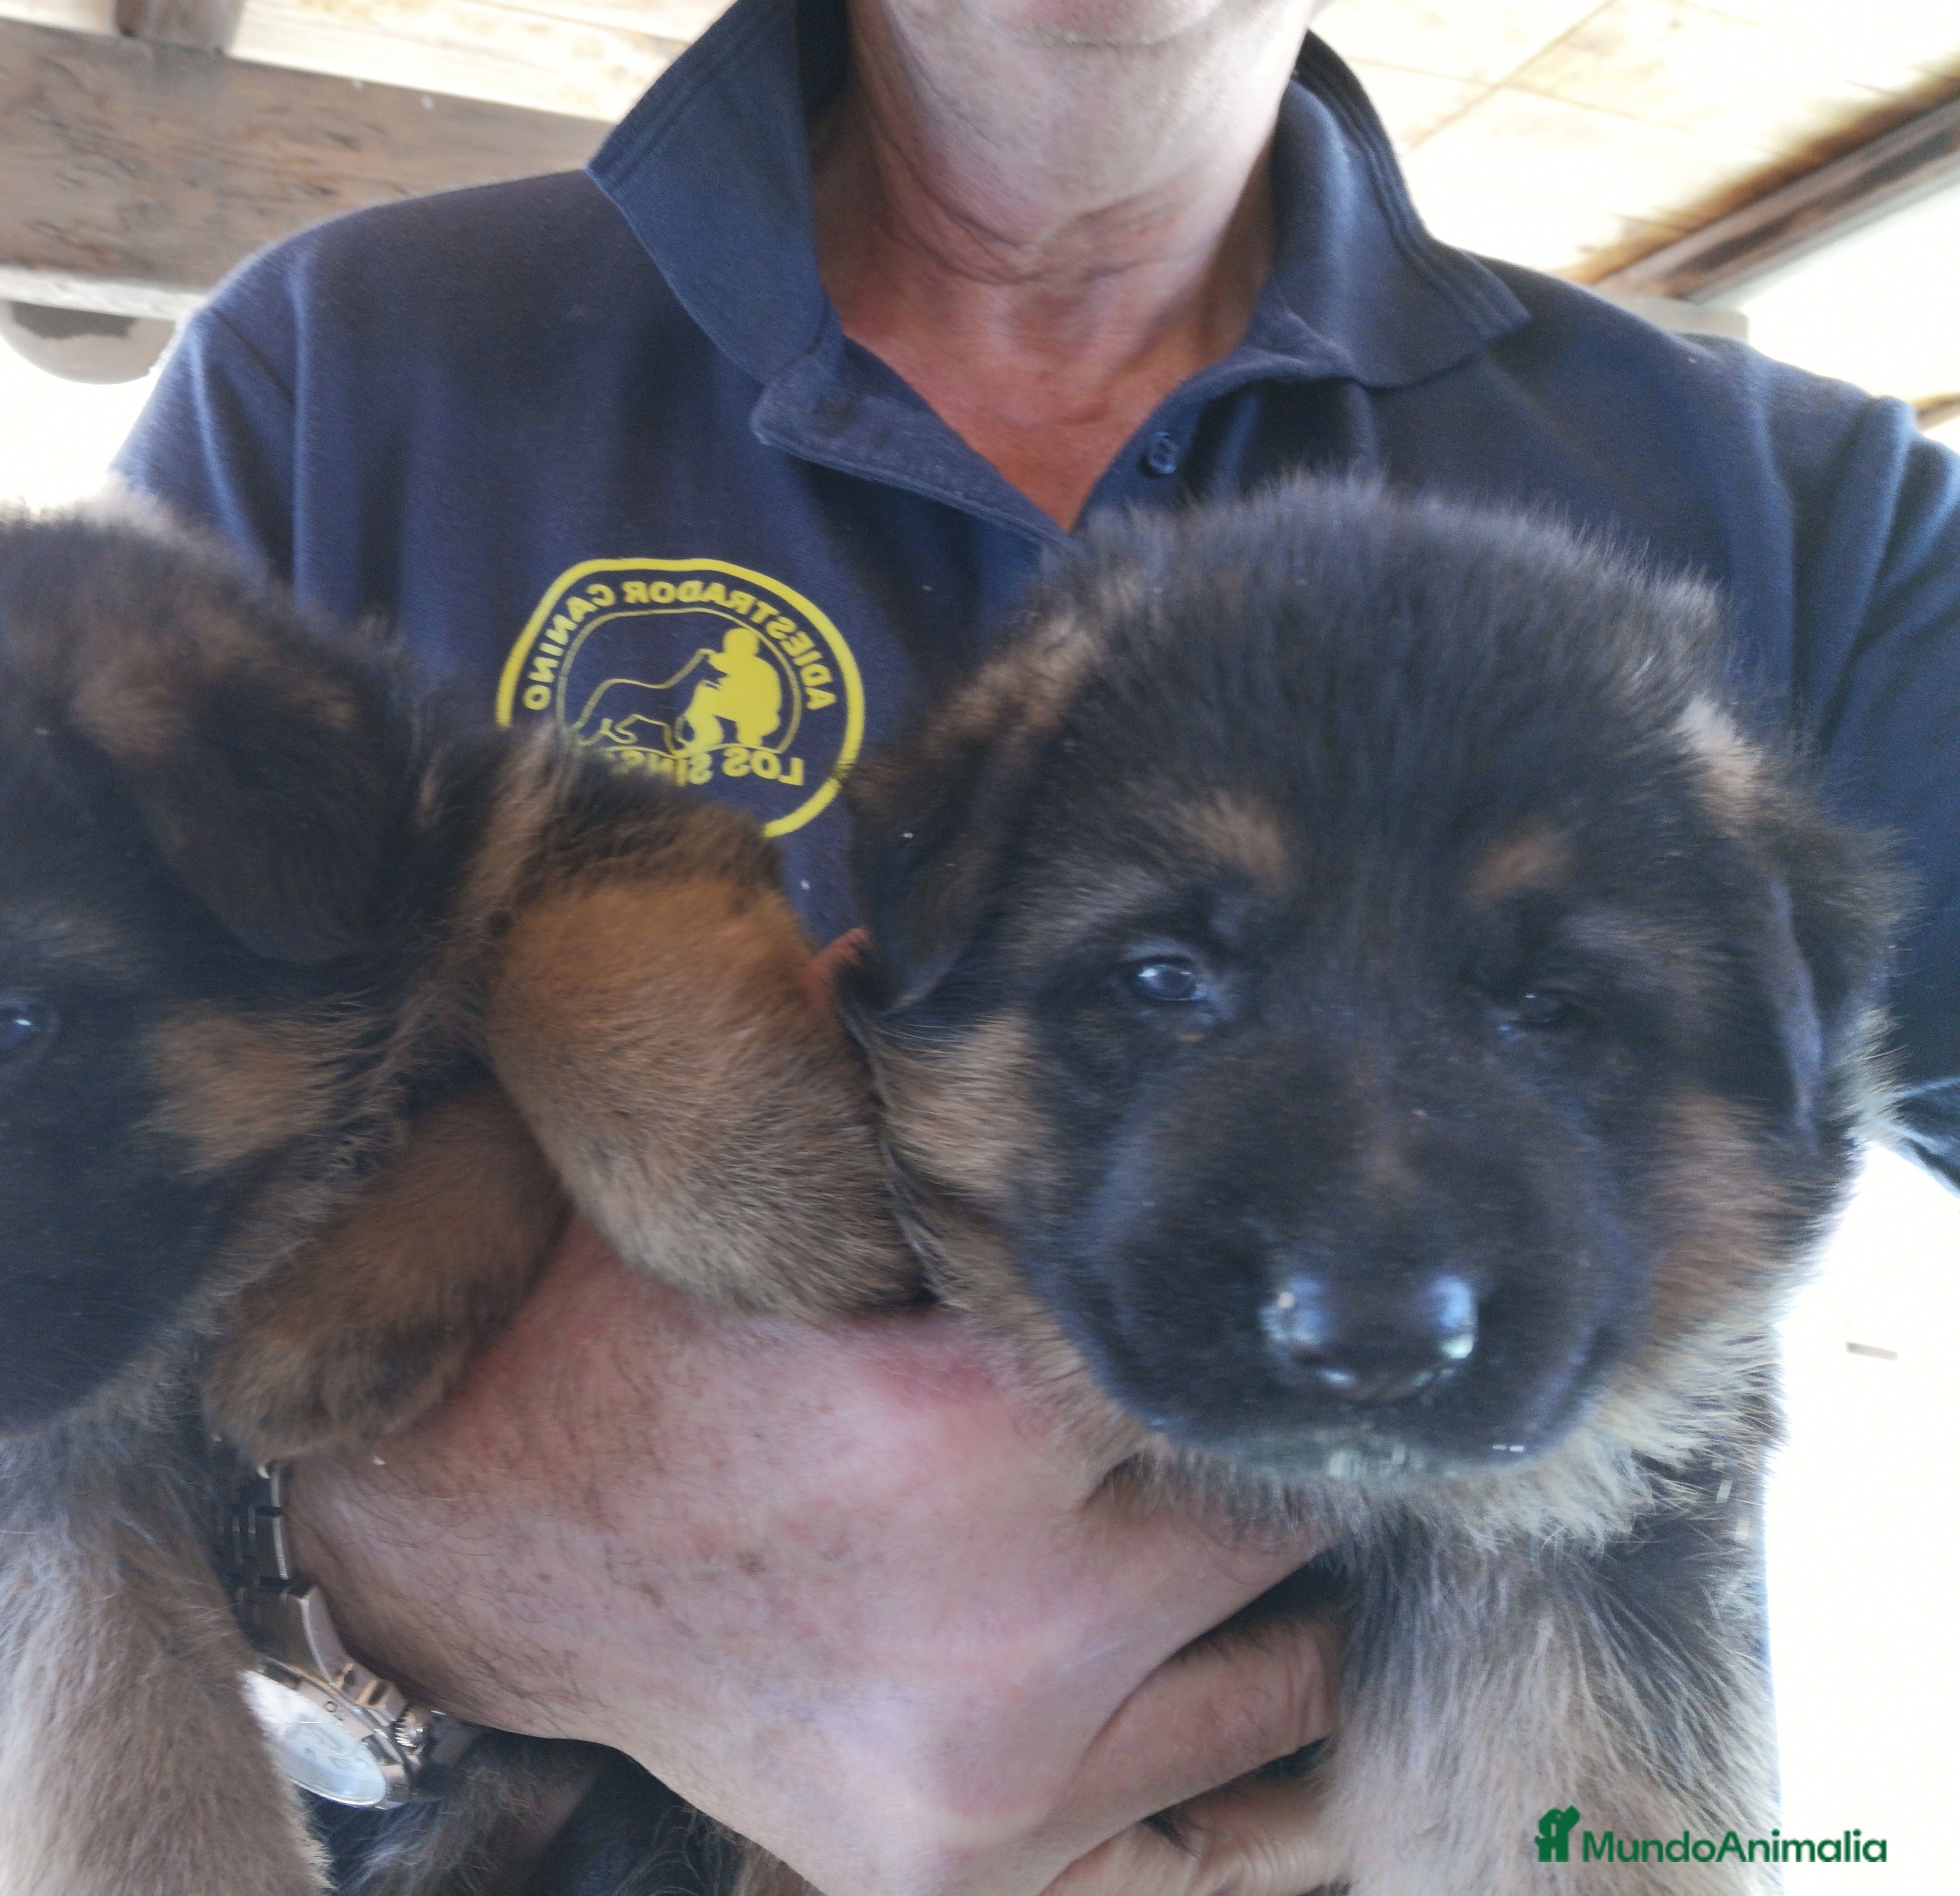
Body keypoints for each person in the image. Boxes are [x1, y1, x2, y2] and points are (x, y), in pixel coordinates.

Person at [113, 0, 1960, 1887]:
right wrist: (422, 1578)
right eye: (1164, 980)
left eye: (1553, 1004)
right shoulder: (339, 374)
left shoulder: (1819, 511)